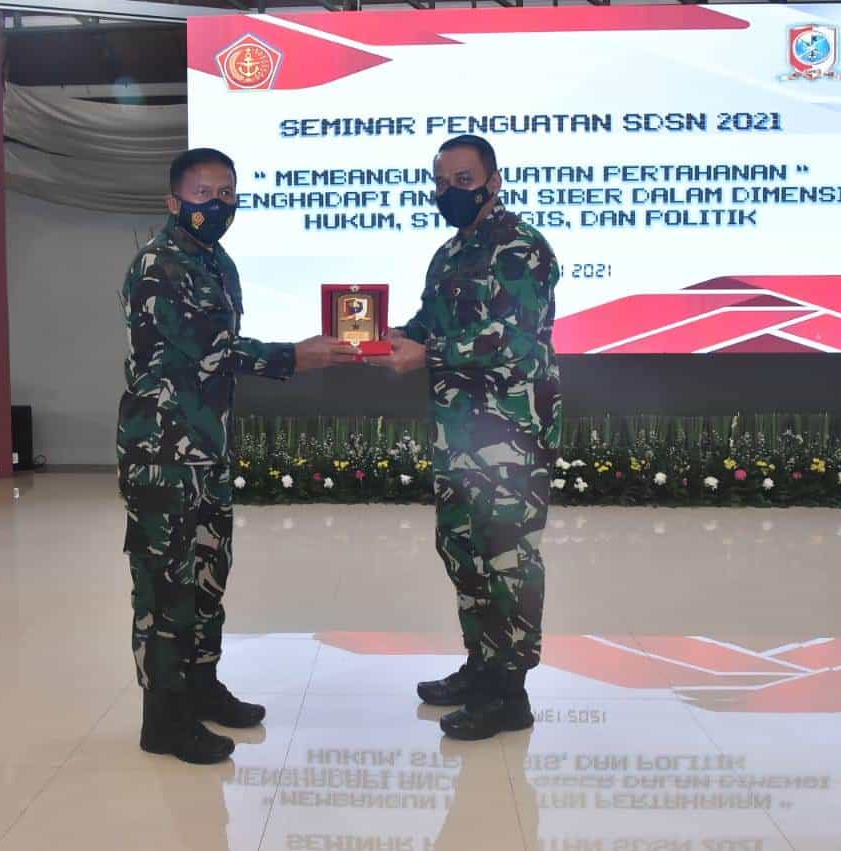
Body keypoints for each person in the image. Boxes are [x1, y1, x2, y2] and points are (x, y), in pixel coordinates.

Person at [118, 148, 344, 764]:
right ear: (173, 202)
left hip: (205, 447)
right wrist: (294, 356)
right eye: (203, 193)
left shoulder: (216, 261)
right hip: (162, 452)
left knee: (208, 576)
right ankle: (163, 718)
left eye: (227, 194)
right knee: (165, 587)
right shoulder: (159, 265)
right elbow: (207, 349)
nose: (216, 205)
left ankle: (201, 686)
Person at [350, 135, 561, 740]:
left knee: (508, 558)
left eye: (463, 181)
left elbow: (515, 340)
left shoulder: (521, 249)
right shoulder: (448, 254)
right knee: (461, 549)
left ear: (494, 181)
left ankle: (510, 692)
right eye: (441, 182)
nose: (450, 193)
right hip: (458, 429)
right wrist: (384, 337)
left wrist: (428, 352)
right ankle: (481, 666)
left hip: (510, 434)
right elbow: (428, 323)